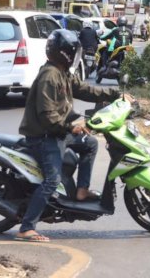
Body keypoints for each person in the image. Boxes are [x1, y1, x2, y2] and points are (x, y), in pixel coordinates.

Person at [17, 29, 124, 242]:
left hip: (57, 133)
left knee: (91, 143)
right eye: (73, 52)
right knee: (52, 180)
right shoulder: (49, 76)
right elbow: (47, 115)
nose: (75, 56)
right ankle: (26, 227)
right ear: (64, 53)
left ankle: (81, 191)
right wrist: (70, 127)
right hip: (44, 137)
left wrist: (116, 94)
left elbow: (85, 90)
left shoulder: (63, 72)